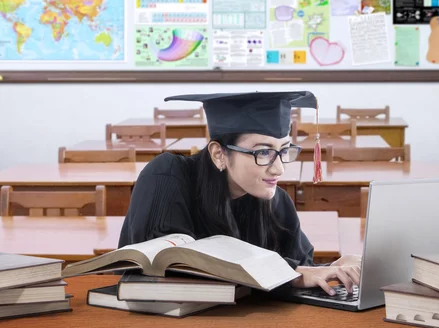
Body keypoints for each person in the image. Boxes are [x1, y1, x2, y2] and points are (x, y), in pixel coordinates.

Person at [118, 91, 360, 296]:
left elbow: (301, 271)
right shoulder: (168, 177)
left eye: (284, 150)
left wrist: (334, 269)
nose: (279, 168)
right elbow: (164, 267)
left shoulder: (275, 200)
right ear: (219, 154)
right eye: (263, 152)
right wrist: (292, 274)